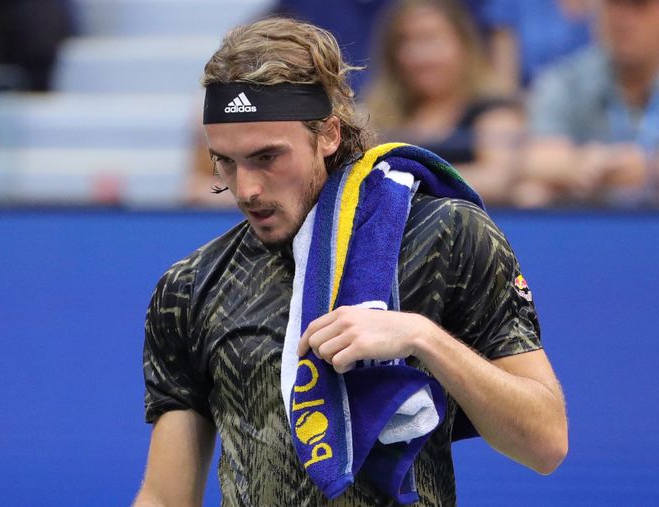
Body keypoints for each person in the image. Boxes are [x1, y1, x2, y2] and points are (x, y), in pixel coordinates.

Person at [135, 17, 567, 507]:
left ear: (329, 135)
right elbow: (166, 497)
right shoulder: (190, 286)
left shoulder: (447, 235)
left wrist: (422, 337)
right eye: (226, 163)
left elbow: (545, 443)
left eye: (267, 157)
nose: (247, 188)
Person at [364, 0, 524, 206]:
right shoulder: (378, 116)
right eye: (406, 42)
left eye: (431, 40)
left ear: (463, 45)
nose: (420, 56)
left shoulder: (493, 108)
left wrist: (406, 184)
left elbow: (497, 178)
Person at [518, 0, 659, 207]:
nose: (623, 21)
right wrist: (579, 163)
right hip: (592, 214)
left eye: (639, 7)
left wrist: (648, 169)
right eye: (614, 6)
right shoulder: (566, 79)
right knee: (532, 192)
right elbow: (533, 159)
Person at [483, 0, 592, 94]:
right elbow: (505, 84)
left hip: (594, 102)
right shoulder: (511, 4)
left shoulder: (604, 6)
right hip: (529, 105)